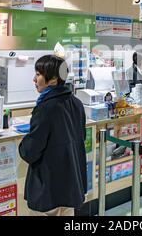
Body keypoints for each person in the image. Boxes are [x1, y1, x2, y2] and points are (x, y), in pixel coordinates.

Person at [18, 55, 87, 216]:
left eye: (38, 74)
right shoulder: (76, 103)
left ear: (54, 78)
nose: (34, 79)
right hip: (70, 185)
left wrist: (23, 144)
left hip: (48, 187)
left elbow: (31, 151)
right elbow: (80, 137)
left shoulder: (45, 108)